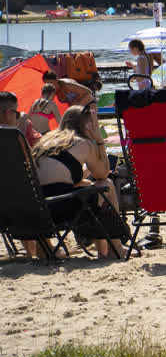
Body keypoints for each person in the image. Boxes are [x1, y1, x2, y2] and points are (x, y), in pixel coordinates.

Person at [31, 105, 128, 259]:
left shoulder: (47, 140)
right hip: (65, 208)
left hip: (40, 209)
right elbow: (102, 174)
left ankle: (99, 250)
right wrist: (99, 141)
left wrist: (86, 172)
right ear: (87, 124)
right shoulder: (83, 142)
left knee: (86, 185)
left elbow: (60, 179)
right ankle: (115, 247)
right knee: (106, 185)